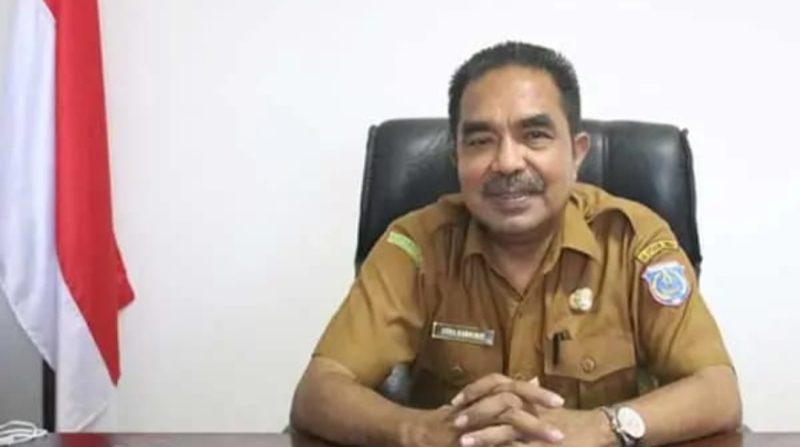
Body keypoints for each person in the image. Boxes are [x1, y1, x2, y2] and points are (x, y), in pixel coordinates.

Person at [291, 42, 741, 447]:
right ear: (457, 158)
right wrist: (420, 432)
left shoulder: (632, 239)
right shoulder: (417, 246)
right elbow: (318, 391)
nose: (507, 162)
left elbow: (718, 391)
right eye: (481, 141)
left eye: (535, 136)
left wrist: (604, 427)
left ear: (577, 153)